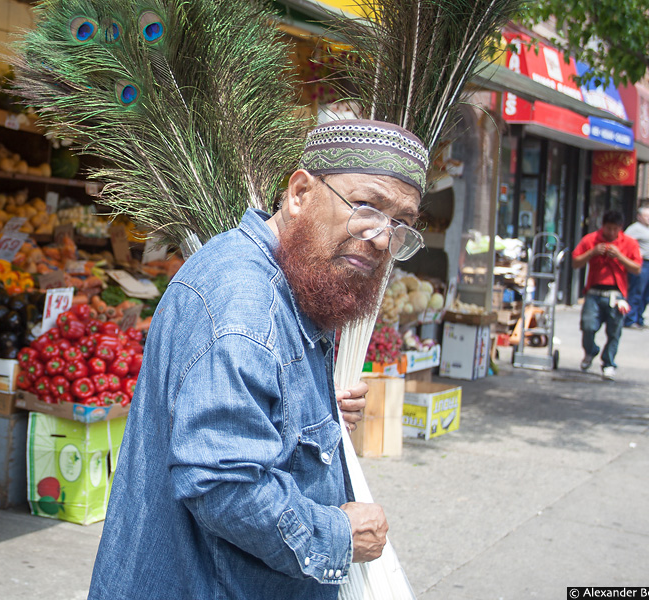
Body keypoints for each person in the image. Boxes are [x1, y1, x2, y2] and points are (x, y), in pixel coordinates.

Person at [88, 120, 428, 599]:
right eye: (366, 206)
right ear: (300, 192)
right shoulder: (245, 307)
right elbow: (223, 484)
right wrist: (337, 534)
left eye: (401, 225)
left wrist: (311, 410)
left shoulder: (291, 283)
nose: (380, 238)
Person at [572, 210, 642, 380]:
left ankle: (608, 363)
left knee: (614, 331)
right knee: (587, 326)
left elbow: (637, 268)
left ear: (620, 228)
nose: (611, 233)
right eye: (608, 228)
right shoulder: (591, 239)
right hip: (594, 292)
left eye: (614, 229)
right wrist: (592, 252)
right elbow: (575, 262)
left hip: (616, 294)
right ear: (602, 226)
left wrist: (619, 256)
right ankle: (591, 351)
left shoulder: (629, 243)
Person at [623, 205, 649, 329]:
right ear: (639, 216)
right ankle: (630, 319)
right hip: (643, 264)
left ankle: (639, 319)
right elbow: (624, 241)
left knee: (646, 295)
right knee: (637, 292)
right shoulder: (635, 228)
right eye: (647, 216)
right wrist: (634, 254)